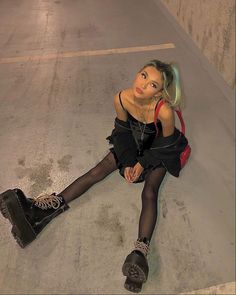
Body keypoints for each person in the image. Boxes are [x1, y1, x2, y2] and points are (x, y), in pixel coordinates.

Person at [0, 59, 189, 293]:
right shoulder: (121, 98)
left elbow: (164, 144)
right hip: (131, 144)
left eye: (152, 84)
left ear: (160, 91)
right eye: (142, 75)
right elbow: (121, 133)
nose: (143, 84)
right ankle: (42, 211)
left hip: (156, 151)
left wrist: (141, 164)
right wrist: (129, 160)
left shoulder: (165, 111)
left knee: (149, 191)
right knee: (96, 172)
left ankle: (140, 252)